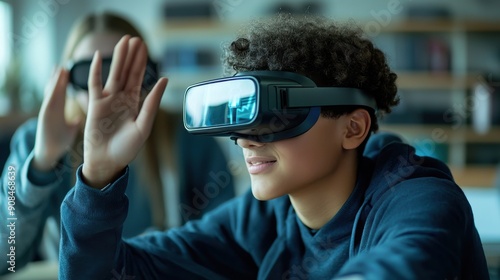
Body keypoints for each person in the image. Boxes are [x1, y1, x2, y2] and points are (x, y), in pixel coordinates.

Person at [58, 14, 489, 279]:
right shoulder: (261, 219)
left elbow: (409, 262)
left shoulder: (417, 195)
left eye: (277, 116)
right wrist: (98, 177)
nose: (246, 139)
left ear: (353, 128)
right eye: (242, 118)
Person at [0, 12, 234, 274]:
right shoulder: (36, 140)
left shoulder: (188, 136)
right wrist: (41, 164)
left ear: (148, 74)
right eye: (89, 74)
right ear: (67, 80)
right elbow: (5, 257)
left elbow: (224, 243)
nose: (104, 89)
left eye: (123, 72)